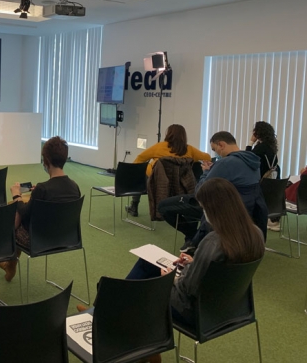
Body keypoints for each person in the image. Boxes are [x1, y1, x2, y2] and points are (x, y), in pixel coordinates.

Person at [80, 179, 265, 335]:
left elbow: (188, 289)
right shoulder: (255, 235)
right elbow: (222, 271)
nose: (203, 214)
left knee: (145, 280)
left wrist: (169, 278)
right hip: (232, 307)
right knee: (147, 264)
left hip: (194, 311)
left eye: (204, 209)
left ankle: (102, 315)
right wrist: (195, 262)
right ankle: (109, 316)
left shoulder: (213, 242)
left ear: (214, 209)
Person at [158, 131, 267, 253]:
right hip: (244, 208)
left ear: (221, 145)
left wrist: (206, 172)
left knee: (164, 206)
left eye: (215, 149)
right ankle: (194, 237)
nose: (216, 153)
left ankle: (193, 236)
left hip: (219, 208)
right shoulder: (253, 161)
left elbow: (200, 191)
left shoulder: (225, 163)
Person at [0, 136, 81, 281]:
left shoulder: (43, 189)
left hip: (38, 241)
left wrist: (16, 195)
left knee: (15, 215)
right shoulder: (74, 187)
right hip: (67, 238)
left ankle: (9, 262)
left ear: (46, 160)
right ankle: (10, 265)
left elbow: (25, 213)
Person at [126, 124, 211, 217]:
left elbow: (140, 158)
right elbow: (207, 157)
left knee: (140, 175)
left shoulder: (159, 147)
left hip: (157, 182)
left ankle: (134, 205)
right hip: (180, 183)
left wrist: (145, 169)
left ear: (168, 134)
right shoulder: (189, 149)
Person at [246, 121, 281, 230]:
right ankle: (273, 220)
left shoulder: (261, 147)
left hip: (260, 184)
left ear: (258, 133)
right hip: (270, 185)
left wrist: (250, 142)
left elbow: (247, 158)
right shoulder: (272, 147)